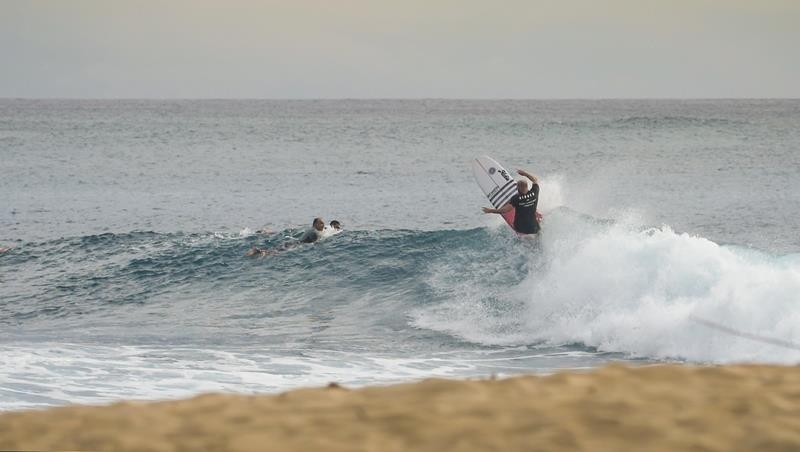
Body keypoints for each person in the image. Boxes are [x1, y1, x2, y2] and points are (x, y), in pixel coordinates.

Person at [482, 169, 540, 234]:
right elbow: (535, 180)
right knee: (537, 229)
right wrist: (525, 173)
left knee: (522, 229)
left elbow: (505, 210)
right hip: (534, 227)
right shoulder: (535, 192)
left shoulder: (516, 198)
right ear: (527, 186)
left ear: (518, 188)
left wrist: (491, 210)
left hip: (520, 228)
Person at [245, 217, 327, 257]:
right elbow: (315, 243)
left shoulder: (310, 229)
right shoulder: (315, 232)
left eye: (323, 223)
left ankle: (258, 251)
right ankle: (259, 252)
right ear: (315, 224)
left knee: (275, 250)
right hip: (296, 244)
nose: (323, 225)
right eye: (321, 223)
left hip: (293, 242)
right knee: (276, 252)